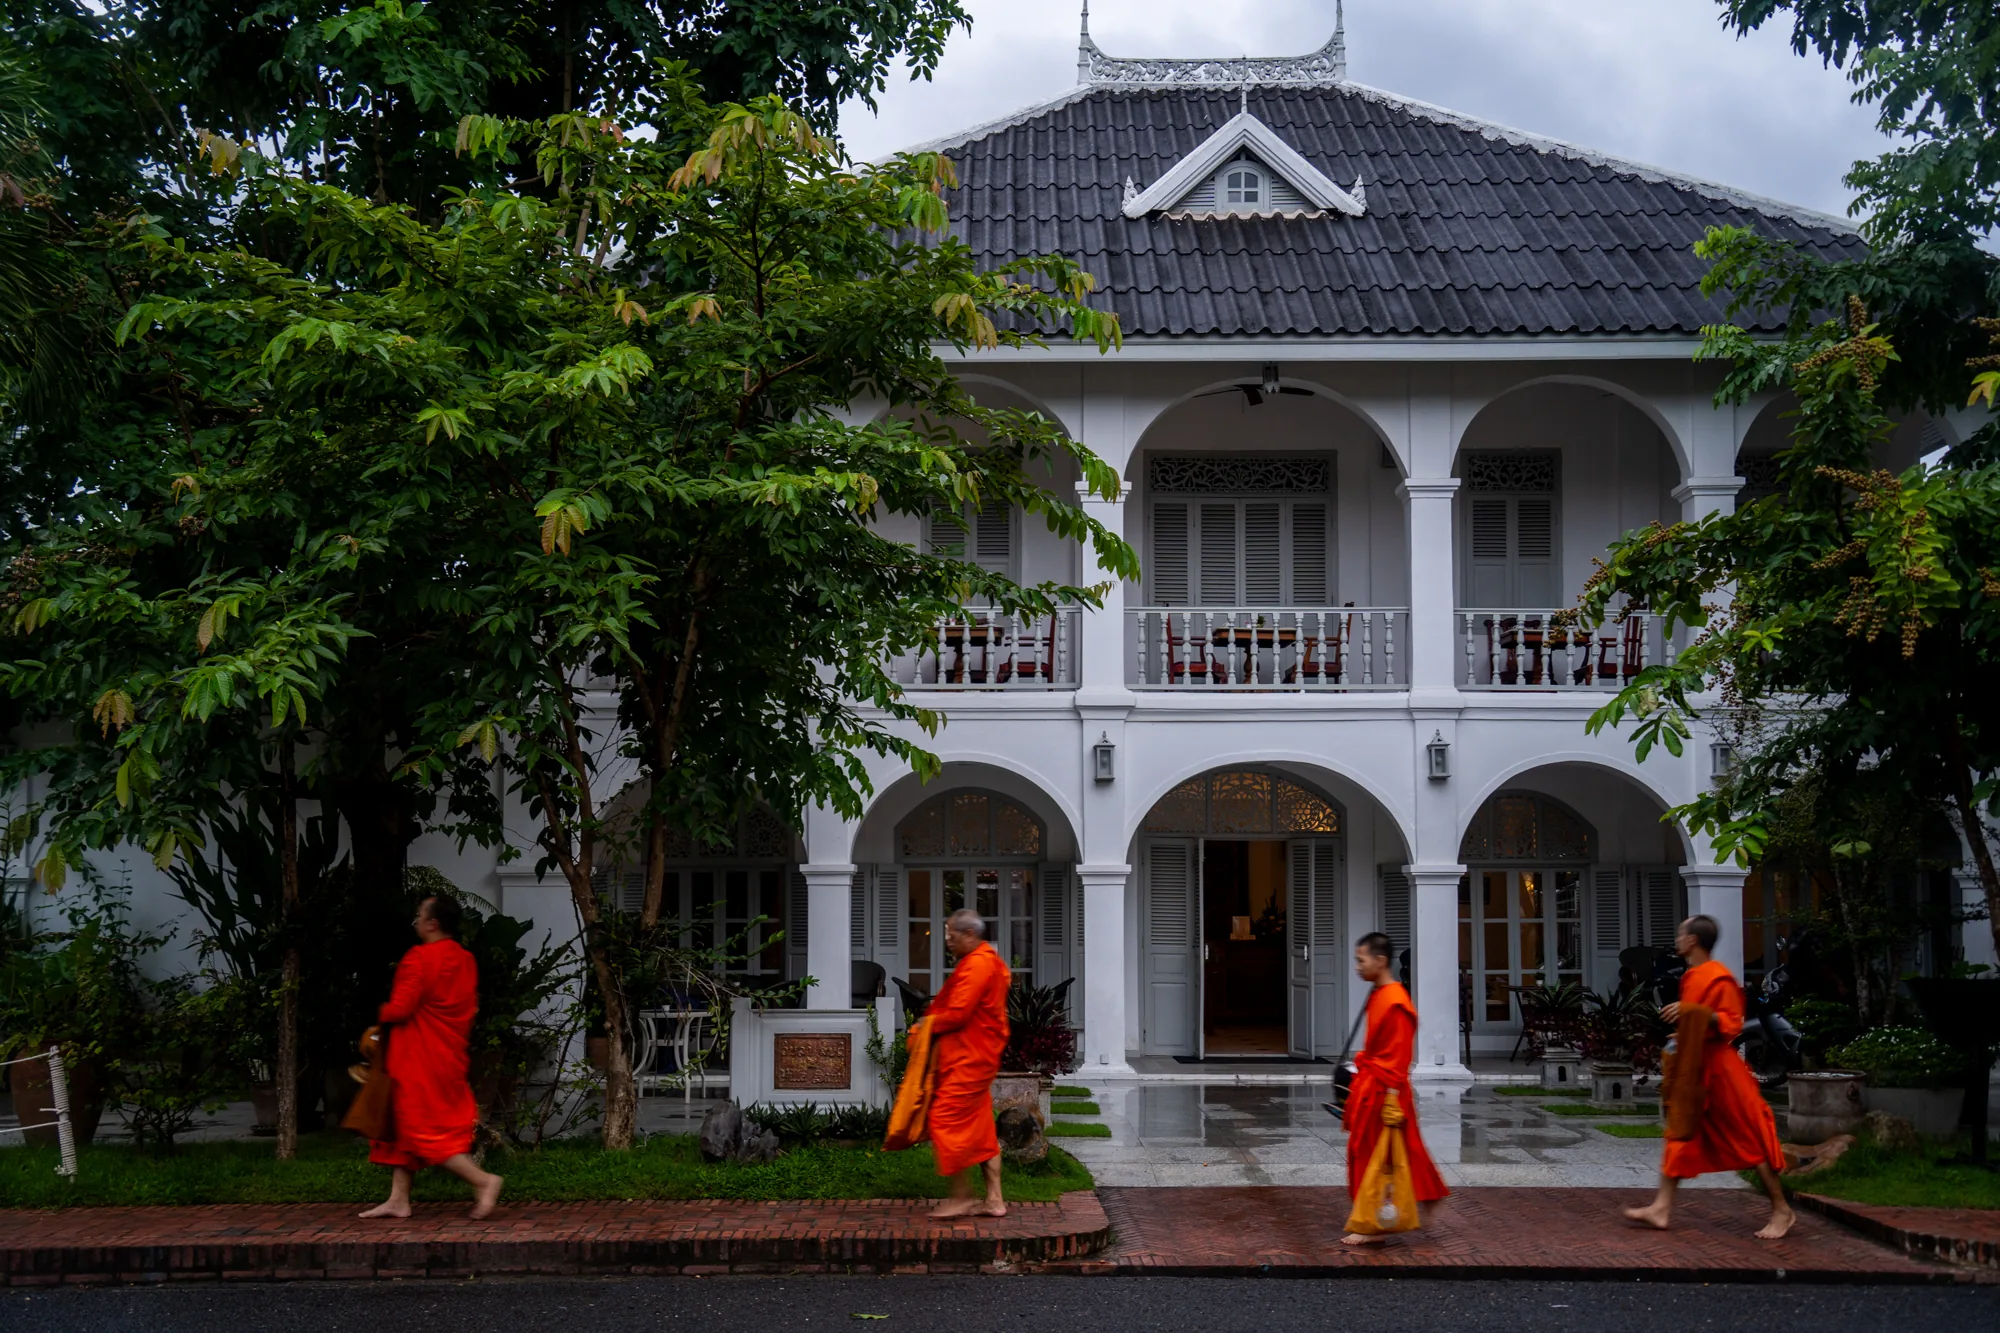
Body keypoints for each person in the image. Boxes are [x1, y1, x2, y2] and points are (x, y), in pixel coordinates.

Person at [1622, 914, 1794, 1240]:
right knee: (1680, 1133)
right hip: (1695, 1068)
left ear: (1693, 941)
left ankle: (1782, 1210)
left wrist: (1691, 1012)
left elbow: (1730, 1024)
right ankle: (1661, 1208)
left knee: (1750, 1138)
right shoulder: (1692, 976)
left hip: (1722, 1072)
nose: (1676, 940)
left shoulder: (1719, 977)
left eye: (1680, 934)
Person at [359, 895, 503, 1221]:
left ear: (432, 923)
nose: (415, 922)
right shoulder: (465, 959)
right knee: (404, 1126)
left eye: (418, 917)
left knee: (426, 1130)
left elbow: (401, 1008)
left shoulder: (420, 958)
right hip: (448, 1054)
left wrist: (380, 1016)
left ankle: (483, 1181)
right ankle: (398, 1199)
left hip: (417, 1058)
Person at [1341, 931, 1449, 1246]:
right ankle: (1429, 1197)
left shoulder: (1396, 1001)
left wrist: (1389, 1097)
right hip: (1374, 1083)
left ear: (1380, 960)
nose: (1358, 967)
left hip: (1385, 1089)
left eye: (1361, 961)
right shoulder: (1380, 994)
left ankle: (1373, 1224)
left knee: (1372, 1153)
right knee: (1401, 1150)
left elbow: (1399, 1057)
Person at [921, 908, 1012, 1219]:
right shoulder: (982, 962)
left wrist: (926, 1025)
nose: (947, 941)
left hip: (970, 1058)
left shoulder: (978, 965)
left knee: (944, 1118)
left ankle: (961, 1196)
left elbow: (959, 1013)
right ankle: (995, 1200)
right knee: (982, 1128)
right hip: (974, 1055)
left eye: (952, 935)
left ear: (970, 935)